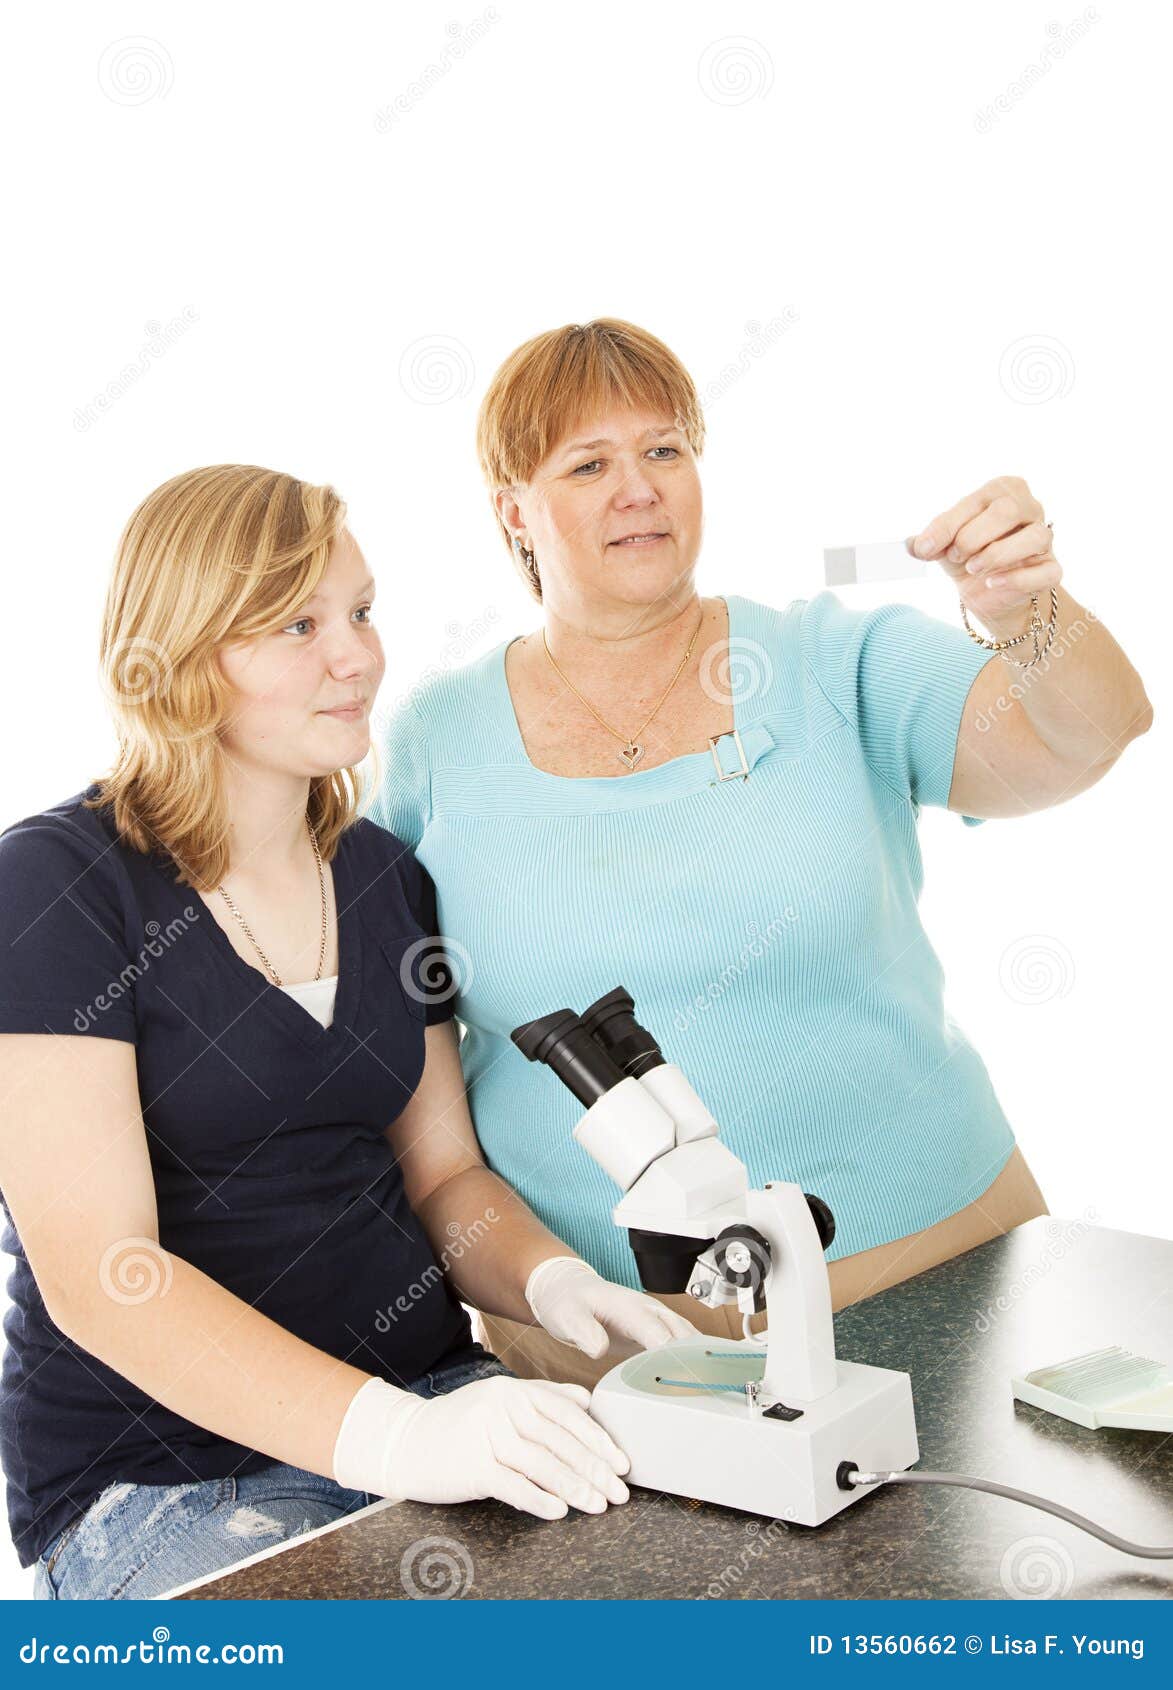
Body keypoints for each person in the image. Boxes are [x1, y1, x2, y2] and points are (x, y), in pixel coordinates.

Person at [371, 317, 1153, 1391]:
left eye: (664, 450)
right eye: (588, 464)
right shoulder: (431, 740)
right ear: (513, 509)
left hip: (944, 1280)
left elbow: (1090, 733)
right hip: (614, 1354)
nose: (637, 487)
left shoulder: (834, 661)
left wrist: (1031, 613)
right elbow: (399, 1060)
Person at [0, 464, 697, 1600]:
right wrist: (395, 1444)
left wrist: (557, 1286)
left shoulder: (380, 878)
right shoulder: (57, 886)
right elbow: (98, 1272)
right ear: (179, 653)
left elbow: (444, 1177)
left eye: (363, 611)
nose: (358, 656)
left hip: (436, 1399)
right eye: (298, 624)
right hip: (169, 1477)